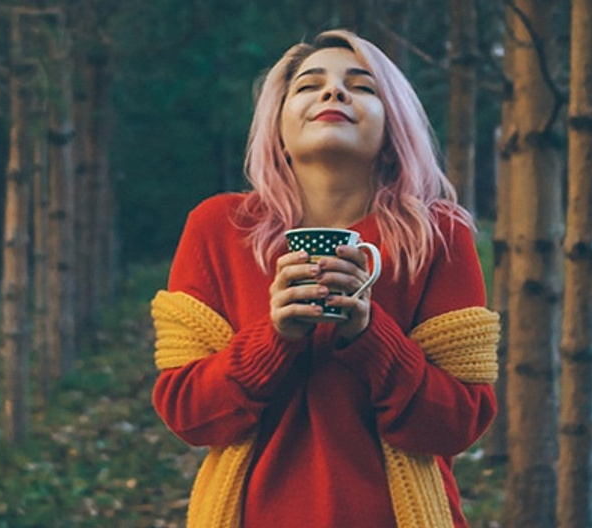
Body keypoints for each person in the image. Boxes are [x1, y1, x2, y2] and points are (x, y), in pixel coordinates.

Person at [151, 29, 498, 528]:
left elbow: (457, 424)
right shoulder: (218, 229)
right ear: (278, 129)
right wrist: (273, 339)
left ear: (392, 130)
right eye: (310, 85)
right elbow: (188, 413)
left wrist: (369, 336)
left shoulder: (438, 234)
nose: (333, 93)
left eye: (362, 86)